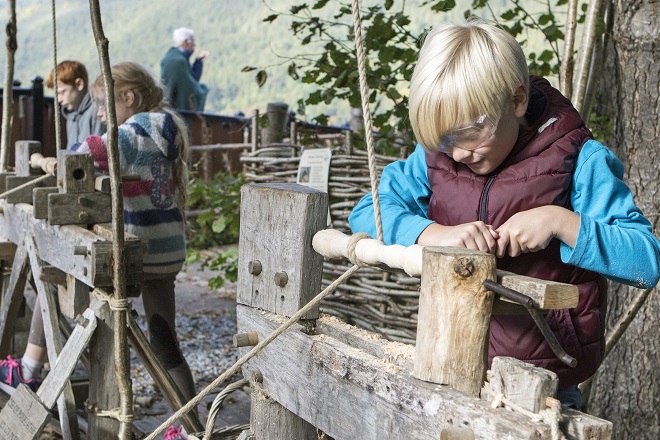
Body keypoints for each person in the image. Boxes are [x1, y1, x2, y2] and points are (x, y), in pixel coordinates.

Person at [348, 19, 660, 409]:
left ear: (516, 101)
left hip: (541, 388)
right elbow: (367, 212)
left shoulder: (578, 159)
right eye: (444, 140)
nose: (458, 153)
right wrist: (433, 233)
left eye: (468, 134)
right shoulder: (437, 160)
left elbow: (646, 260)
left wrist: (561, 223)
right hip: (448, 362)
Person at [0, 62, 197, 410]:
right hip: (166, 254)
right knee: (165, 340)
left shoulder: (136, 130)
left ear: (129, 97)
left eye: (105, 106)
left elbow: (88, 152)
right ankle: (186, 423)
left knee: (56, 271)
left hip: (137, 250)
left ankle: (29, 369)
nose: (103, 115)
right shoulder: (166, 128)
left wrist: (54, 160)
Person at [44, 60, 105, 145]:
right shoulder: (71, 115)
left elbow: (100, 153)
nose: (59, 99)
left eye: (62, 92)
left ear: (79, 84)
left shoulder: (97, 112)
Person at [160, 27, 209, 112]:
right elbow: (189, 87)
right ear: (186, 42)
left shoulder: (173, 56)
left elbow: (190, 78)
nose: (194, 46)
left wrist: (198, 62)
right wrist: (203, 90)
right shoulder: (179, 61)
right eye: (193, 43)